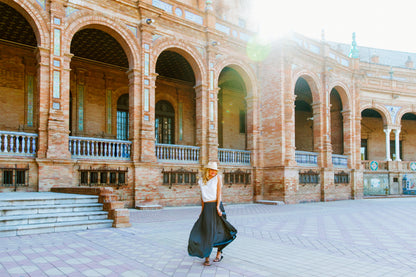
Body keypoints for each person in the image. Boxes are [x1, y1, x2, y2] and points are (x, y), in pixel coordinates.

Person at [188, 161, 237, 266]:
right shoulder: (201, 181)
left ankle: (219, 254)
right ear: (207, 170)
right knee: (206, 231)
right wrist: (202, 210)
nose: (213, 172)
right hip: (207, 207)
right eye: (211, 170)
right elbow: (202, 197)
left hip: (216, 206)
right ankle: (207, 256)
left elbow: (219, 193)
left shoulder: (217, 178)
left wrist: (218, 207)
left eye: (215, 170)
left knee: (221, 230)